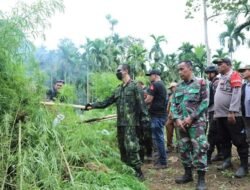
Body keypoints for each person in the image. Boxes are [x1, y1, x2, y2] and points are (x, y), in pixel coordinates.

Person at [84, 64, 150, 180]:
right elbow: (107, 102)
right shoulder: (118, 89)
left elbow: (142, 106)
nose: (117, 73)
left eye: (119, 70)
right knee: (122, 147)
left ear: (126, 71)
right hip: (121, 124)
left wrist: (145, 123)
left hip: (132, 123)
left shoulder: (135, 87)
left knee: (132, 147)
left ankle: (138, 172)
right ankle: (127, 169)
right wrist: (92, 105)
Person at [171, 61, 208, 190]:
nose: (180, 72)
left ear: (190, 68)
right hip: (181, 125)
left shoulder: (201, 82)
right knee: (184, 149)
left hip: (196, 124)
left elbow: (205, 102)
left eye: (182, 69)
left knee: (199, 149)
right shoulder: (179, 87)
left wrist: (192, 117)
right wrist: (176, 119)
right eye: (178, 70)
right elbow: (174, 104)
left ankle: (201, 179)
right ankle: (188, 174)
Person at [213, 58, 248, 178]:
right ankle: (227, 160)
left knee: (239, 140)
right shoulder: (220, 78)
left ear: (228, 65)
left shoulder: (234, 75)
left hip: (232, 115)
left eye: (220, 64)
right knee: (224, 139)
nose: (218, 66)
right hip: (220, 115)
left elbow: (236, 93)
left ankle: (244, 166)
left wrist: (232, 111)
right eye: (217, 64)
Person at [145, 69, 168, 169]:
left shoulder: (154, 85)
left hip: (156, 116)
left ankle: (162, 162)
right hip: (161, 115)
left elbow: (149, 99)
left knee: (158, 139)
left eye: (150, 75)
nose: (150, 77)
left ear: (155, 75)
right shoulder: (162, 84)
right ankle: (161, 161)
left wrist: (140, 104)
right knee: (159, 138)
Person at [204, 66, 224, 164]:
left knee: (212, 134)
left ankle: (208, 156)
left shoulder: (216, 82)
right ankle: (220, 153)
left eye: (209, 73)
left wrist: (216, 112)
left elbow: (217, 98)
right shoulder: (213, 82)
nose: (207, 75)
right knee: (216, 133)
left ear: (213, 73)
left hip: (215, 111)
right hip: (213, 111)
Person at [137, 81, 153, 163]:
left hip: (146, 118)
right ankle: (142, 156)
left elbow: (149, 102)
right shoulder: (136, 93)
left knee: (147, 138)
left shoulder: (146, 92)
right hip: (138, 119)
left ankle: (149, 155)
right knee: (140, 138)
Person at [238, 65, 250, 167]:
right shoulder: (244, 86)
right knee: (248, 136)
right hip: (246, 115)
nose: (242, 73)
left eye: (244, 71)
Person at [165, 82, 178, 152]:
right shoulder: (171, 96)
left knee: (178, 130)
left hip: (178, 116)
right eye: (171, 88)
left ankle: (179, 146)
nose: (172, 89)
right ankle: (170, 145)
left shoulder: (180, 95)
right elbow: (168, 106)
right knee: (168, 126)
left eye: (173, 87)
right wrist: (168, 112)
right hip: (170, 116)